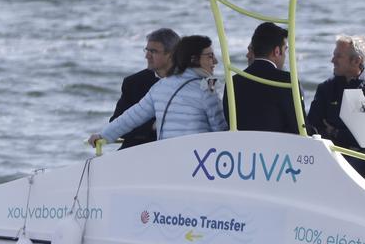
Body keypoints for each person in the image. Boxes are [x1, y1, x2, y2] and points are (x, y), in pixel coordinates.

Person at [89, 35, 226, 146]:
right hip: (197, 160)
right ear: (193, 59)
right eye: (210, 56)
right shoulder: (207, 89)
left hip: (165, 158)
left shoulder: (161, 86)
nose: (215, 61)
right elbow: (220, 130)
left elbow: (131, 117)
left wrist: (103, 135)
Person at [307, 35, 365, 174]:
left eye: (338, 56)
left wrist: (336, 132)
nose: (332, 60)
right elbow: (312, 127)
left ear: (357, 61)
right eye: (334, 55)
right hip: (330, 154)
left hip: (364, 158)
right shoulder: (325, 89)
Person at [109, 28, 179, 150]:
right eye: (147, 50)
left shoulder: (192, 82)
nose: (147, 56)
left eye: (153, 51)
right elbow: (115, 125)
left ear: (171, 54)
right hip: (138, 152)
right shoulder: (133, 83)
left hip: (182, 151)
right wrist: (152, 127)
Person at [225, 21, 301, 134]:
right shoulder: (287, 81)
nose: (285, 56)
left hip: (242, 149)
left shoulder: (233, 82)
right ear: (277, 51)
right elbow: (298, 126)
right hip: (279, 149)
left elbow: (229, 122)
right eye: (285, 50)